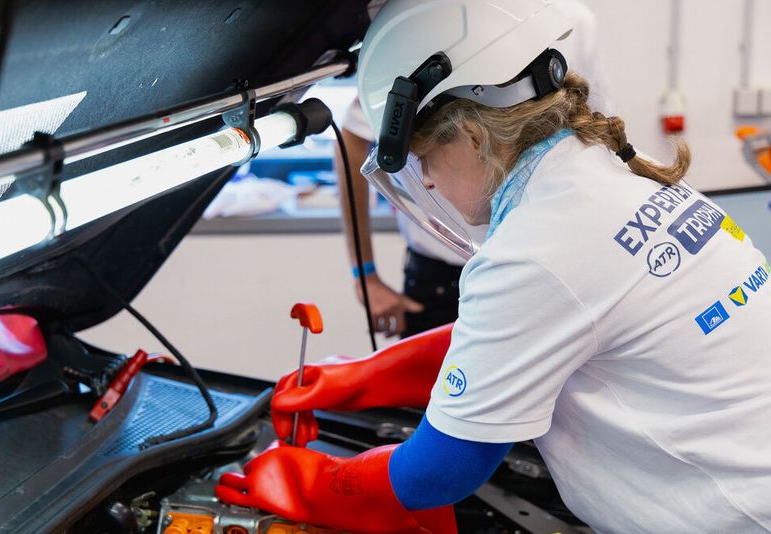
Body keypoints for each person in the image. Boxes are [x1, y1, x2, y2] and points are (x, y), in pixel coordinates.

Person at [216, 1, 771, 532]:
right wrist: (361, 378)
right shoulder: (612, 178)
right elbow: (535, 330)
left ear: (470, 134)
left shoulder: (537, 248)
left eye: (422, 158)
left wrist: (310, 483)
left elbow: (437, 473)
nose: (426, 181)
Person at [336, 0, 602, 339]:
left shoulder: (568, 18)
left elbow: (589, 128)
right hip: (439, 276)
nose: (426, 179)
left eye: (427, 162)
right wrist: (365, 272)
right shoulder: (424, 19)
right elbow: (355, 137)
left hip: (543, 268)